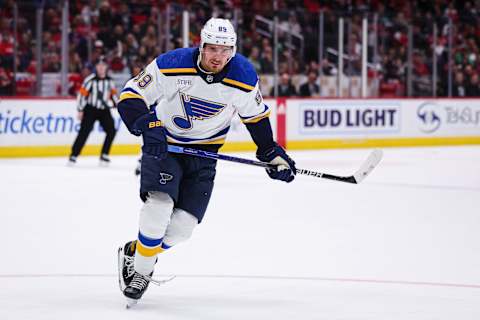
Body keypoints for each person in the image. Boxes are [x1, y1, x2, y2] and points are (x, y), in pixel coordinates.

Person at [116, 17, 296, 306]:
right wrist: (148, 126)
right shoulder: (171, 64)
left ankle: (136, 252)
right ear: (201, 45)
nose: (219, 57)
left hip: (205, 154)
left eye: (226, 51)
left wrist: (270, 152)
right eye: (213, 49)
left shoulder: (244, 77)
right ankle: (141, 272)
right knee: (159, 205)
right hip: (165, 147)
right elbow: (130, 95)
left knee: (183, 228)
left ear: (233, 51)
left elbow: (256, 118)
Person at [68, 57, 118, 165]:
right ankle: (73, 155)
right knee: (84, 132)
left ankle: (104, 154)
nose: (101, 68)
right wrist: (80, 109)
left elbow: (113, 95)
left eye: (103, 66)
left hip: (104, 110)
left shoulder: (110, 81)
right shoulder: (90, 80)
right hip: (90, 109)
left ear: (106, 67)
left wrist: (117, 104)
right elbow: (82, 95)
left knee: (111, 131)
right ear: (96, 67)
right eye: (99, 66)